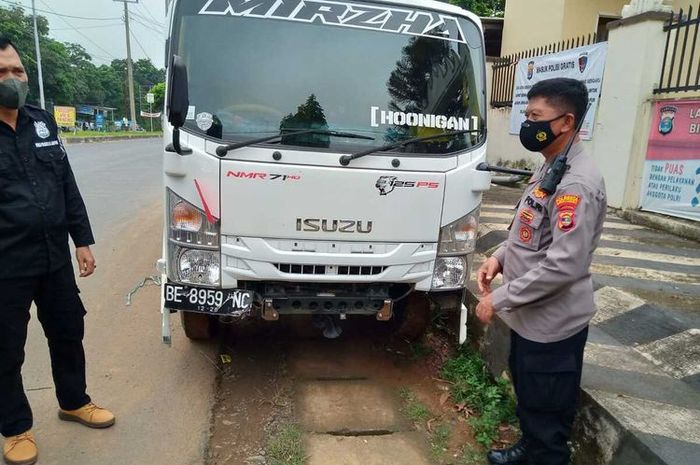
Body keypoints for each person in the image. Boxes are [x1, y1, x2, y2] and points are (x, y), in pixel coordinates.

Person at [475, 78, 606, 465]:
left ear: (565, 122)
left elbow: (564, 264)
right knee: (531, 401)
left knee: (548, 420)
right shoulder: (552, 166)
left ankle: (541, 453)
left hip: (553, 326)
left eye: (536, 116)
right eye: (526, 114)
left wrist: (498, 298)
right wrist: (499, 256)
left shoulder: (576, 183)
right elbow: (531, 229)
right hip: (530, 319)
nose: (528, 124)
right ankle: (528, 448)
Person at [0, 38, 115, 465]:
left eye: (17, 71)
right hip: (6, 263)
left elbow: (66, 185)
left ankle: (73, 401)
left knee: (68, 331)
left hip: (53, 257)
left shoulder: (42, 122)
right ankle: (14, 428)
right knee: (6, 348)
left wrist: (81, 241)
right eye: (1, 73)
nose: (11, 80)